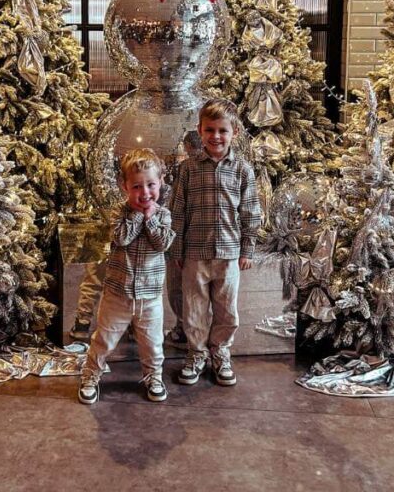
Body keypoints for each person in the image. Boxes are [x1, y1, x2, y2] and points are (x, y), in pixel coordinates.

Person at [169, 98, 262, 387]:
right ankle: (196, 354)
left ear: (234, 132)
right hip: (195, 253)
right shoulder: (188, 169)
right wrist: (177, 249)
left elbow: (250, 211)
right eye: (210, 130)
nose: (216, 136)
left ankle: (220, 352)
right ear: (200, 131)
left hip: (229, 253)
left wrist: (247, 248)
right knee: (194, 308)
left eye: (222, 130)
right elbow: (177, 211)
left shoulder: (242, 170)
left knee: (226, 309)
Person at [78, 149, 175, 405]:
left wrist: (151, 220)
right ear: (125, 187)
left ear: (160, 183)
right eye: (136, 187)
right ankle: (91, 375)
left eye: (150, 185)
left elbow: (162, 244)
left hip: (150, 296)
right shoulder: (118, 213)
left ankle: (153, 377)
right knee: (103, 340)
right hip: (117, 295)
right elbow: (121, 237)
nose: (144, 193)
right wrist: (138, 215)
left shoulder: (163, 215)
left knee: (153, 343)